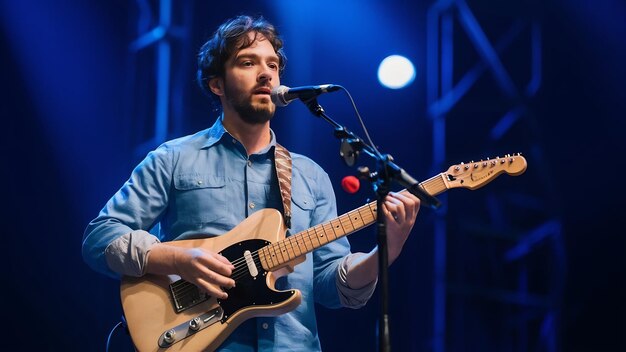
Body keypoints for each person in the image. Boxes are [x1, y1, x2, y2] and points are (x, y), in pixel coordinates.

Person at [82, 14, 420, 351]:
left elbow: (334, 288)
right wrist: (175, 259)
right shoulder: (173, 158)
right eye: (248, 62)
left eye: (273, 65)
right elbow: (100, 238)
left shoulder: (310, 176)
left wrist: (386, 249)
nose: (265, 74)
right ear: (217, 83)